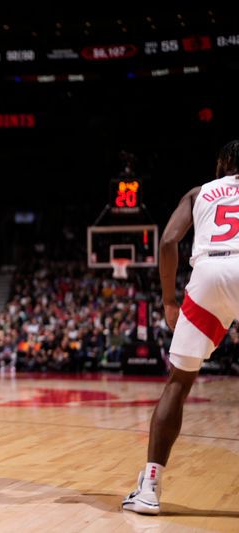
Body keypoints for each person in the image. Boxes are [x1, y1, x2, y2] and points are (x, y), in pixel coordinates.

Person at [123, 140, 239, 515]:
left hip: (207, 273)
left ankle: (150, 489)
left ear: (222, 163)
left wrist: (169, 300)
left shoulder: (198, 192)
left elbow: (169, 241)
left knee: (179, 381)